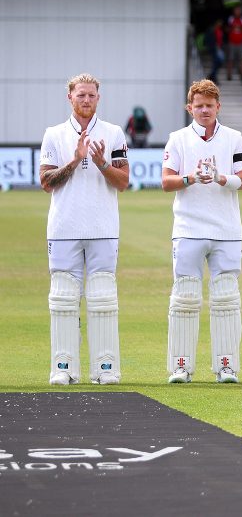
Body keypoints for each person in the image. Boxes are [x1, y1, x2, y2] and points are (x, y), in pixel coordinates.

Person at [39, 74, 129, 385]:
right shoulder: (54, 134)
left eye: (91, 95)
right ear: (70, 97)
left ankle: (105, 368)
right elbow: (46, 183)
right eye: (81, 95)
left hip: (103, 227)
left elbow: (123, 182)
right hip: (64, 227)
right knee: (63, 297)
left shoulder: (114, 133)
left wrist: (103, 164)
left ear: (98, 98)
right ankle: (63, 367)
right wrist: (76, 160)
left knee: (103, 296)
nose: (86, 100)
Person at [161, 80, 242, 384]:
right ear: (190, 107)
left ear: (218, 107)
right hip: (188, 228)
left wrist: (221, 178)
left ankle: (226, 366)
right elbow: (166, 181)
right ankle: (181, 366)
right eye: (198, 106)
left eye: (209, 106)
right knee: (185, 296)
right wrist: (191, 178)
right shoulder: (178, 139)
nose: (204, 111)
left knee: (226, 297)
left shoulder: (234, 138)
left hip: (226, 229)